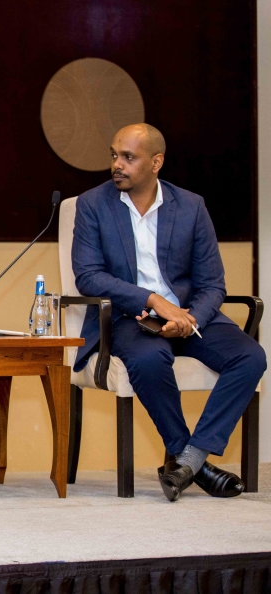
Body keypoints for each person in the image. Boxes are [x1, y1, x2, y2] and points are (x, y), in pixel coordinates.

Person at [72, 123, 265, 502]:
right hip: (128, 317)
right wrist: (153, 301)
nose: (117, 164)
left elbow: (213, 284)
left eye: (128, 157)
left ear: (156, 162)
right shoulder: (93, 204)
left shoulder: (190, 206)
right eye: (114, 155)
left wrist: (186, 319)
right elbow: (89, 277)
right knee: (149, 359)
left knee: (250, 355)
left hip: (187, 316)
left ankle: (188, 460)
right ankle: (194, 460)